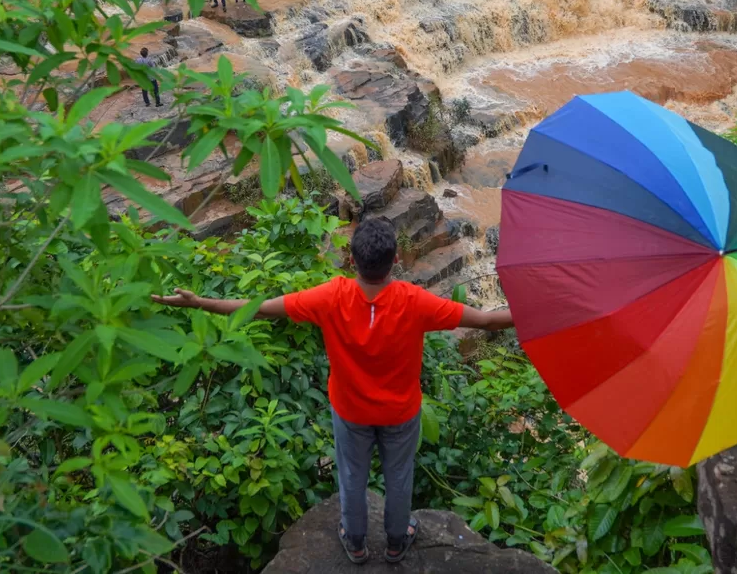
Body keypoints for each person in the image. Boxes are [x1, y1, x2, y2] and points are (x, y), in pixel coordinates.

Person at [153, 217, 513, 565]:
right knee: (399, 477)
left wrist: (199, 302)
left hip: (351, 412)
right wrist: (548, 312)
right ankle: (396, 540)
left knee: (352, 478)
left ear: (352, 259)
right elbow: (485, 319)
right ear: (396, 261)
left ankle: (355, 544)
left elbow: (259, 310)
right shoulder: (415, 301)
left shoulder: (331, 296)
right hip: (400, 414)